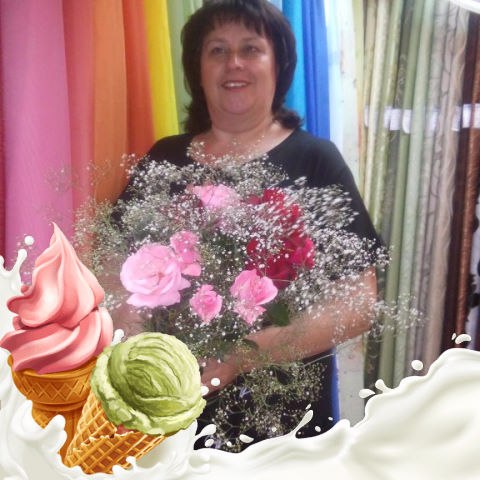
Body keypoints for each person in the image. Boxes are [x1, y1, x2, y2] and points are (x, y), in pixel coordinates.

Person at [115, 0, 381, 449]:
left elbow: (358, 302)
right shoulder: (165, 157)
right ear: (197, 70)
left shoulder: (315, 161)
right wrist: (138, 347)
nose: (233, 63)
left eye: (251, 49)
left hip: (284, 418)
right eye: (217, 50)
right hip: (171, 411)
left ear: (279, 65)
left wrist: (244, 356)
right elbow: (113, 266)